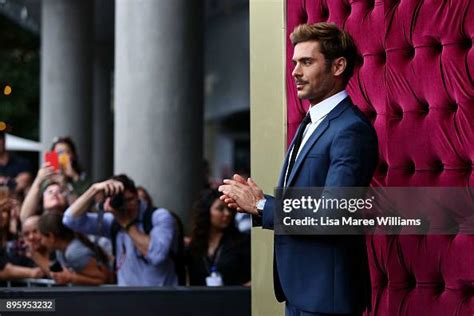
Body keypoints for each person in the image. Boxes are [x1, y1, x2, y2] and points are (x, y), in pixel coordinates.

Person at [219, 23, 378, 316]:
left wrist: (263, 205)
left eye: (306, 62)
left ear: (338, 66)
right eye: (295, 62)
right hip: (299, 292)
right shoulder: (311, 122)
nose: (294, 71)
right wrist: (256, 204)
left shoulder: (351, 130)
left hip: (327, 298)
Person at [62, 174, 179, 286]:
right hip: (126, 299)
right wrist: (93, 190)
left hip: (160, 299)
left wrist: (127, 223)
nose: (125, 206)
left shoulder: (159, 217)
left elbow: (156, 255)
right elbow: (70, 220)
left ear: (136, 197)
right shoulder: (112, 221)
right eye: (119, 201)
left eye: (128, 200)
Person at [186, 189, 250, 286]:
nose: (227, 213)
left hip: (233, 298)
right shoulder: (194, 245)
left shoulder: (241, 242)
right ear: (206, 211)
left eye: (229, 209)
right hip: (201, 298)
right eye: (220, 209)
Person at [38, 212, 111, 285]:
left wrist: (71, 278)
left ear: (51, 237)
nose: (41, 242)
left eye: (41, 238)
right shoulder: (60, 251)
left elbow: (104, 279)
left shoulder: (74, 252)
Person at [0, 130, 33, 197]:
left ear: (4, 140)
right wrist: (11, 182)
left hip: (19, 203)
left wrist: (4, 182)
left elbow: (24, 182)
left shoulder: (22, 162)